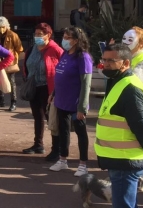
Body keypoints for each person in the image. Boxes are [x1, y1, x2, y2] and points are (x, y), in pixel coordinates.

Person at [95, 44, 143, 208]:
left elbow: (140, 123)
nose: (105, 64)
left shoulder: (129, 88)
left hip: (125, 160)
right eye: (104, 59)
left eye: (111, 60)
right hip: (119, 158)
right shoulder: (116, 82)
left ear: (126, 63)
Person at [49, 27, 92, 176]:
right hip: (62, 100)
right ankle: (63, 160)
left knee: (81, 132)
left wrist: (82, 107)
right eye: (64, 36)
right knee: (63, 131)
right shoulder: (65, 54)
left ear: (76, 40)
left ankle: (83, 164)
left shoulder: (83, 57)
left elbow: (86, 84)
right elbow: (60, 75)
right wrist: (53, 93)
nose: (64, 40)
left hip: (76, 103)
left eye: (68, 37)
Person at [22, 23, 64, 160]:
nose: (37, 37)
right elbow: (27, 64)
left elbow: (63, 66)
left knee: (51, 118)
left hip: (48, 88)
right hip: (34, 86)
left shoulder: (55, 49)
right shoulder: (33, 48)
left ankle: (56, 149)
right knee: (37, 116)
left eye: (40, 35)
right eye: (36, 34)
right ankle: (38, 144)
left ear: (48, 35)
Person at [0, 16, 24, 111]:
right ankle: (1, 100)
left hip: (9, 62)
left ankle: (13, 102)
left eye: (3, 27)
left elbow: (20, 48)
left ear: (6, 26)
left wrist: (14, 57)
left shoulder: (13, 35)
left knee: (11, 82)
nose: (1, 29)